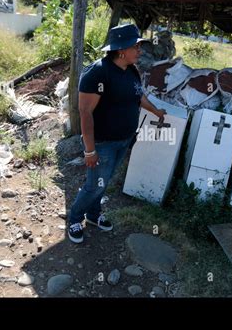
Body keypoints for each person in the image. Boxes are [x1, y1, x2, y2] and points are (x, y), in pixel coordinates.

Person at [68, 24, 166, 244]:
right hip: (102, 143)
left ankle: (93, 215)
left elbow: (137, 96)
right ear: (121, 49)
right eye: (136, 46)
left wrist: (155, 111)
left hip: (124, 140)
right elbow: (85, 112)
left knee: (106, 180)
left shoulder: (131, 70)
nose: (139, 51)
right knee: (95, 185)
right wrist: (90, 150)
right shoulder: (98, 73)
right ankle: (75, 218)